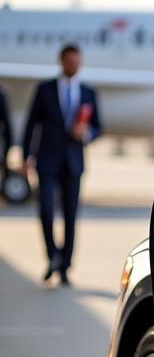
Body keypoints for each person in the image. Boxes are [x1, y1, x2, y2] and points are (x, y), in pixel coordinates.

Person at [21, 44, 102, 285]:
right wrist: (25, 155)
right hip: (46, 159)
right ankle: (52, 257)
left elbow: (98, 126)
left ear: (81, 63)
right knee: (45, 210)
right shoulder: (44, 89)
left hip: (73, 162)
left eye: (76, 62)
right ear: (61, 62)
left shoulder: (88, 92)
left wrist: (85, 134)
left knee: (70, 215)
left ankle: (65, 266)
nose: (73, 66)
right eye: (69, 62)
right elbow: (31, 124)